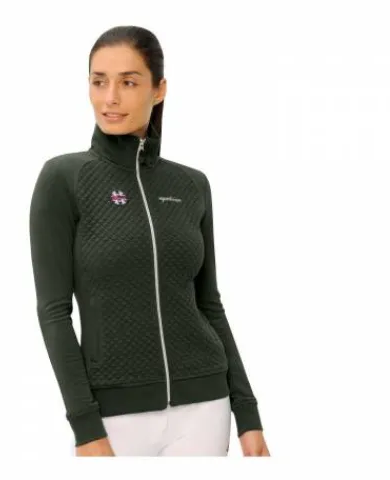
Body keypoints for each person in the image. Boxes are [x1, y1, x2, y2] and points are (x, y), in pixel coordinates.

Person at [29, 25, 270, 457]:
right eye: (99, 81)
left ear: (159, 90)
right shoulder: (65, 178)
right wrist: (85, 427)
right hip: (114, 417)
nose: (110, 98)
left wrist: (248, 416)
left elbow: (209, 304)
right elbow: (54, 312)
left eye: (128, 82)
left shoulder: (191, 185)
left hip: (205, 408)